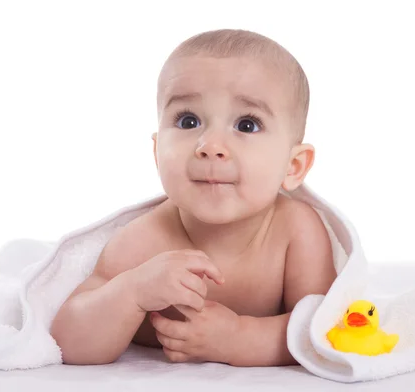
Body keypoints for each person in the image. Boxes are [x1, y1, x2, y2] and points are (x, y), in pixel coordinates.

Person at [51, 29, 337, 367]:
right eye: (188, 121)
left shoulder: (296, 232)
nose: (211, 147)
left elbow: (325, 329)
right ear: (158, 153)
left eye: (247, 125)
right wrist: (130, 293)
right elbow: (67, 343)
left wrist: (240, 339)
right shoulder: (145, 242)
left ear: (293, 166)